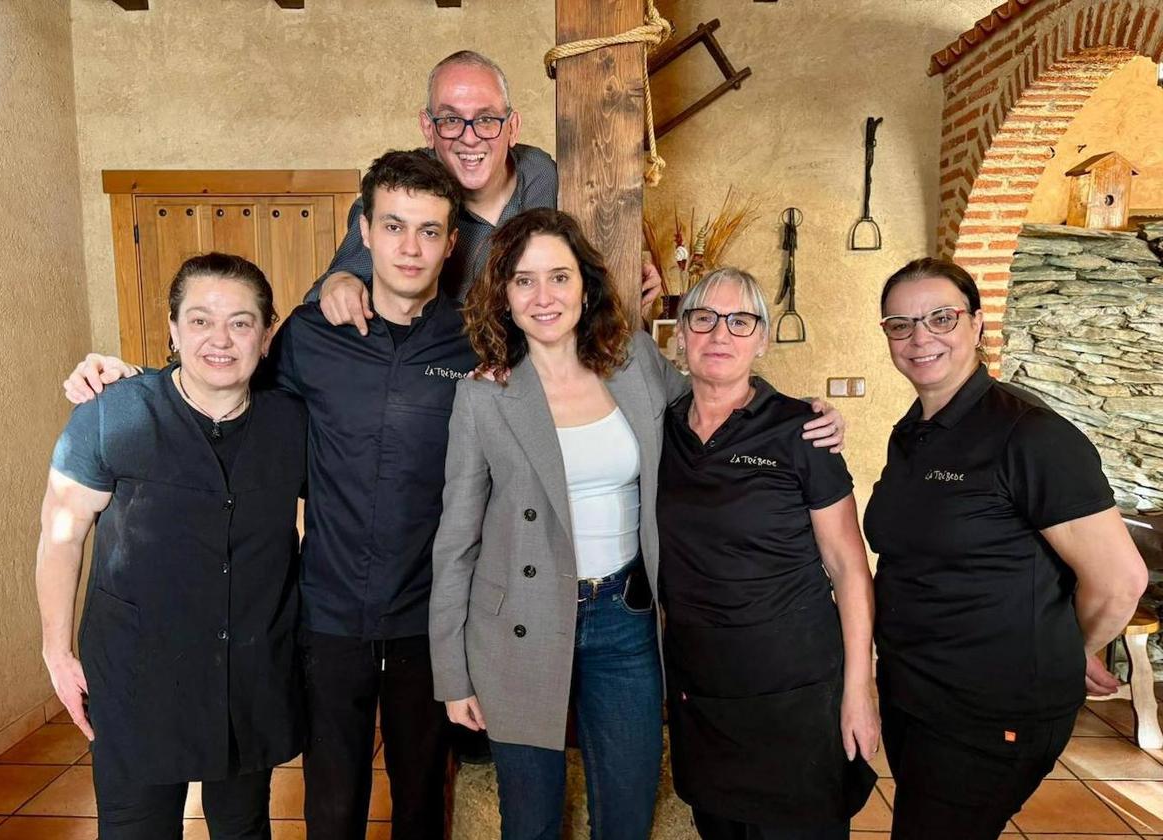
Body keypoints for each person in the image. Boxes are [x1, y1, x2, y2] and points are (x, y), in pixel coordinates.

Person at [60, 151, 474, 840]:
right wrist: (132, 382)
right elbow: (222, 387)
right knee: (332, 806)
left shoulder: (473, 341)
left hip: (428, 615)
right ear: (363, 231)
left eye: (429, 231)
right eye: (394, 225)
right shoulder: (309, 335)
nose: (411, 246)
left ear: (450, 243)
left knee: (423, 803)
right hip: (327, 614)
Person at [429, 210, 848, 840]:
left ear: (585, 286)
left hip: (624, 618)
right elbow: (455, 542)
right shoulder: (484, 393)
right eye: (524, 281)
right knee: (530, 822)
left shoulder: (633, 366)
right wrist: (452, 673)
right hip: (518, 623)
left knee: (625, 814)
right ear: (504, 296)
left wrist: (803, 415)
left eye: (559, 277)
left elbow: (719, 389)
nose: (544, 297)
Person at [863, 257, 1149, 840]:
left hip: (991, 711)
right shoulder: (913, 430)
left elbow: (1120, 581)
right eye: (900, 324)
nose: (920, 338)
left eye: (940, 317)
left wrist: (1069, 652)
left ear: (975, 324)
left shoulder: (1031, 434)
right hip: (918, 695)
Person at [36, 253, 306, 839]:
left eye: (241, 321)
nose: (221, 339)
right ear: (173, 329)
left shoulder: (292, 422)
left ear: (266, 335)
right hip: (139, 679)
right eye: (201, 319)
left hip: (248, 677)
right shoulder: (113, 412)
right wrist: (57, 652)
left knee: (243, 828)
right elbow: (61, 534)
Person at [656, 268, 879, 840]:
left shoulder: (802, 431)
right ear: (680, 334)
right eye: (703, 319)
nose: (719, 334)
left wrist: (859, 690)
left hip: (795, 693)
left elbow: (849, 567)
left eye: (740, 320)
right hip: (701, 691)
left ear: (762, 338)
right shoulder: (661, 427)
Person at [310, 49, 663, 337]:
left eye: (486, 119)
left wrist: (626, 263)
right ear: (427, 128)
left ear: (512, 128)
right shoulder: (405, 194)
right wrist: (340, 281)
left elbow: (586, 253)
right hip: (435, 379)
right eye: (450, 119)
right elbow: (336, 282)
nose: (469, 137)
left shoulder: (546, 176)